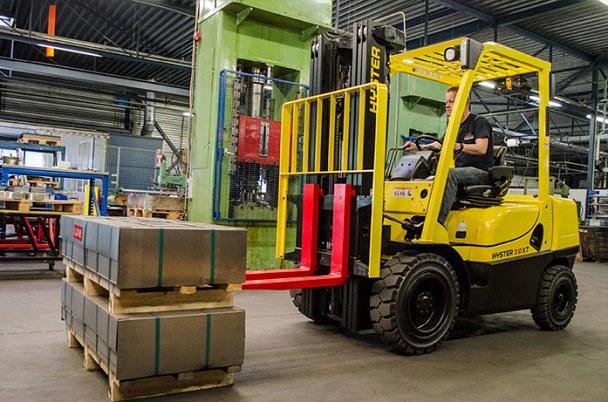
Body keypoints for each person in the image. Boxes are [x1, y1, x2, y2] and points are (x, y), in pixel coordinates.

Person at [400, 86, 494, 227]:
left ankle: (436, 223)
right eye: (446, 103)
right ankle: (421, 217)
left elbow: (481, 148)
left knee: (449, 174)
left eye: (451, 102)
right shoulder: (453, 126)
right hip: (462, 171)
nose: (448, 106)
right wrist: (416, 146)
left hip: (481, 172)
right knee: (429, 174)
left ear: (463, 102)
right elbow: (438, 145)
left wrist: (459, 146)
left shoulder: (478, 121)